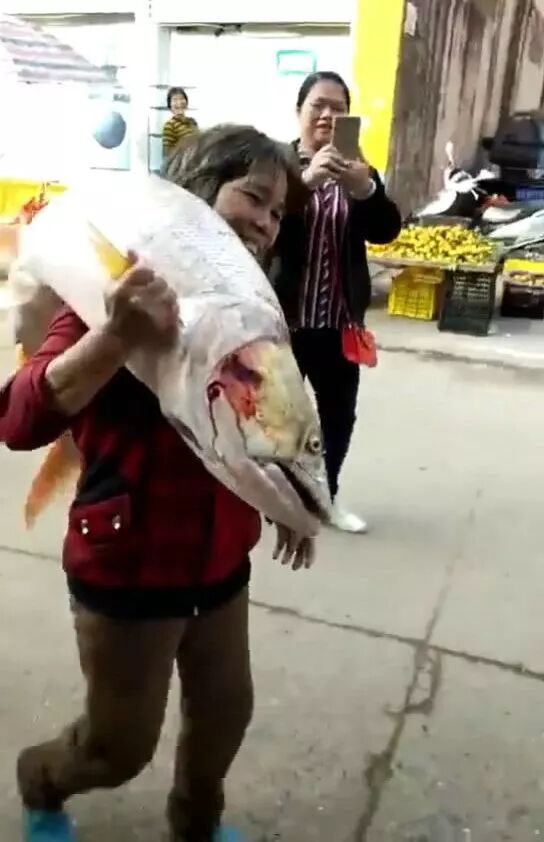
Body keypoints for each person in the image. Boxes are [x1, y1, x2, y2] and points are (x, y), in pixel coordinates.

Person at [0, 125, 310, 842]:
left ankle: (195, 826)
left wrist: (289, 498)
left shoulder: (246, 307)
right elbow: (17, 420)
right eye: (253, 197)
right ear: (195, 191)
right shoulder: (112, 291)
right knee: (117, 747)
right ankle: (40, 779)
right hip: (129, 569)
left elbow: (265, 415)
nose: (267, 223)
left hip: (221, 564)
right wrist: (115, 337)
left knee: (224, 714)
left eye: (276, 213)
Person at [269, 71, 402, 534]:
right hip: (284, 323)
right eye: (318, 106)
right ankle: (276, 497)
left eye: (338, 108)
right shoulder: (277, 166)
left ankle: (327, 497)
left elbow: (386, 230)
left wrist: (365, 191)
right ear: (299, 112)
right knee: (278, 418)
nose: (328, 115)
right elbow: (265, 233)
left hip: (338, 322)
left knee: (338, 418)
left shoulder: (359, 169)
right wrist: (305, 183)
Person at [162, 86, 199, 156]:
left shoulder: (192, 122)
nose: (179, 102)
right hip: (182, 162)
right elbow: (167, 154)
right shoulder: (169, 125)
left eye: (182, 98)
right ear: (170, 105)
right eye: (175, 100)